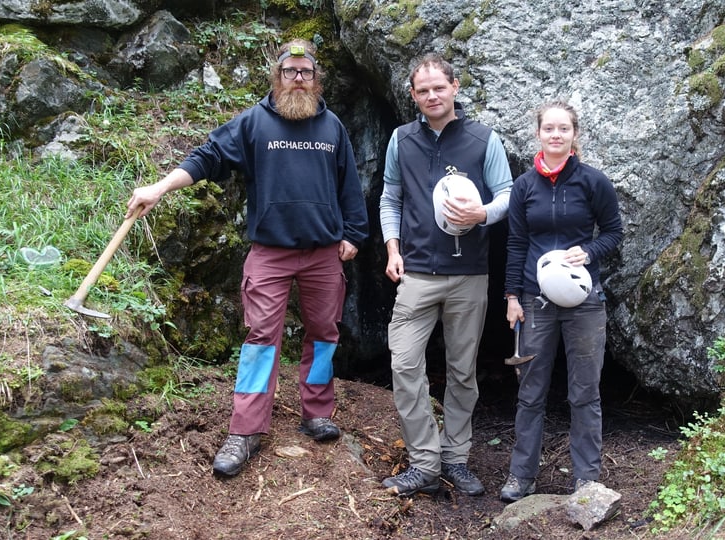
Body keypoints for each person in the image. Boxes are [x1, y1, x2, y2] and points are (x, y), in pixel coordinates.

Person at [125, 39, 369, 477]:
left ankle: (316, 413)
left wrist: (354, 234)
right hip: (270, 254)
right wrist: (159, 188)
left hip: (322, 255)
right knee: (260, 341)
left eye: (306, 72)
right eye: (290, 71)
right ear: (277, 76)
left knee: (324, 335)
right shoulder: (254, 123)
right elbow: (208, 157)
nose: (298, 78)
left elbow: (350, 186)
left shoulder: (332, 127)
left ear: (316, 78)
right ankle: (246, 430)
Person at [378, 53, 513, 497]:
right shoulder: (401, 140)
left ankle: (455, 458)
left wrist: (482, 213)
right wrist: (392, 248)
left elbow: (508, 195)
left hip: (470, 274)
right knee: (404, 362)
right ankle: (425, 463)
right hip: (415, 272)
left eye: (439, 87)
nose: (432, 96)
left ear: (455, 87)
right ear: (414, 96)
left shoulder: (483, 139)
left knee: (462, 371)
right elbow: (390, 198)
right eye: (423, 90)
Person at [499, 101, 623, 502]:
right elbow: (516, 243)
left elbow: (614, 233)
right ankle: (522, 476)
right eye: (549, 129)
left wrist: (587, 252)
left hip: (585, 300)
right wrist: (512, 296)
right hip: (536, 301)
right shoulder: (524, 186)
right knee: (531, 389)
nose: (556, 135)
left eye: (563, 129)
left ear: (574, 135)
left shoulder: (592, 181)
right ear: (538, 134)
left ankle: (586, 479)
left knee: (584, 390)